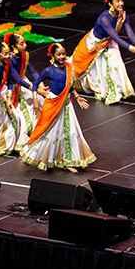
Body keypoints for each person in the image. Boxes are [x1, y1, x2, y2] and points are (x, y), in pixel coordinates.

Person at [21, 42, 95, 173]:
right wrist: (36, 101)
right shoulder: (49, 70)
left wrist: (77, 97)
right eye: (59, 54)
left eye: (64, 54)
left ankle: (68, 161)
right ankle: (32, 155)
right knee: (49, 132)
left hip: (66, 104)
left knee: (71, 133)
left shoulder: (69, 67)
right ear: (53, 56)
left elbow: (69, 85)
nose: (62, 57)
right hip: (53, 103)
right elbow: (35, 84)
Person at [71, 0, 135, 104]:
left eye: (121, 0)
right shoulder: (104, 18)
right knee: (94, 71)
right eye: (117, 1)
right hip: (95, 45)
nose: (121, 3)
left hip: (109, 41)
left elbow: (130, 32)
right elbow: (116, 38)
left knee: (116, 63)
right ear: (110, 4)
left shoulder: (123, 15)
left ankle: (116, 93)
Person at [4, 32, 39, 143]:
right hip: (9, 86)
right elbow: (17, 80)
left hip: (22, 83)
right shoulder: (9, 59)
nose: (25, 46)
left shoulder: (25, 55)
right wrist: (36, 89)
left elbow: (32, 71)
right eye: (21, 43)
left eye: (25, 43)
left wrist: (40, 84)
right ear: (14, 47)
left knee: (39, 102)